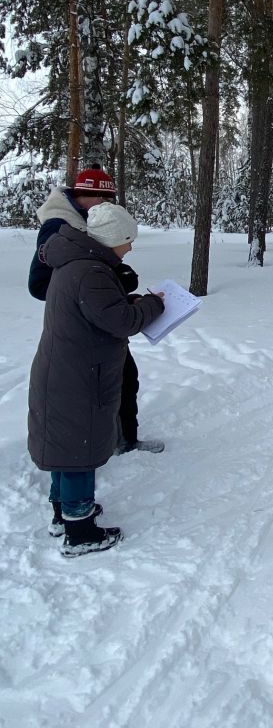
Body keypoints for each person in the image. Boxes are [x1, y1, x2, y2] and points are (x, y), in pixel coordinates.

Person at [28, 202, 165, 557]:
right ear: (112, 240)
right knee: (78, 451)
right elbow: (122, 322)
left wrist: (133, 301)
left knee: (65, 448)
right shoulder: (91, 271)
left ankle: (63, 513)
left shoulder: (77, 264)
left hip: (66, 369)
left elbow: (102, 311)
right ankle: (80, 531)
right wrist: (152, 306)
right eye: (128, 241)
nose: (130, 248)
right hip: (78, 375)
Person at [28, 165, 163, 454]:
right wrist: (105, 287)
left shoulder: (89, 220)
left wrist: (114, 285)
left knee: (125, 379)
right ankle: (99, 449)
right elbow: (40, 285)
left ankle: (123, 439)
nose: (106, 206)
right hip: (82, 333)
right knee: (99, 392)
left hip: (100, 322)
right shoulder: (57, 225)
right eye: (104, 199)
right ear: (85, 195)